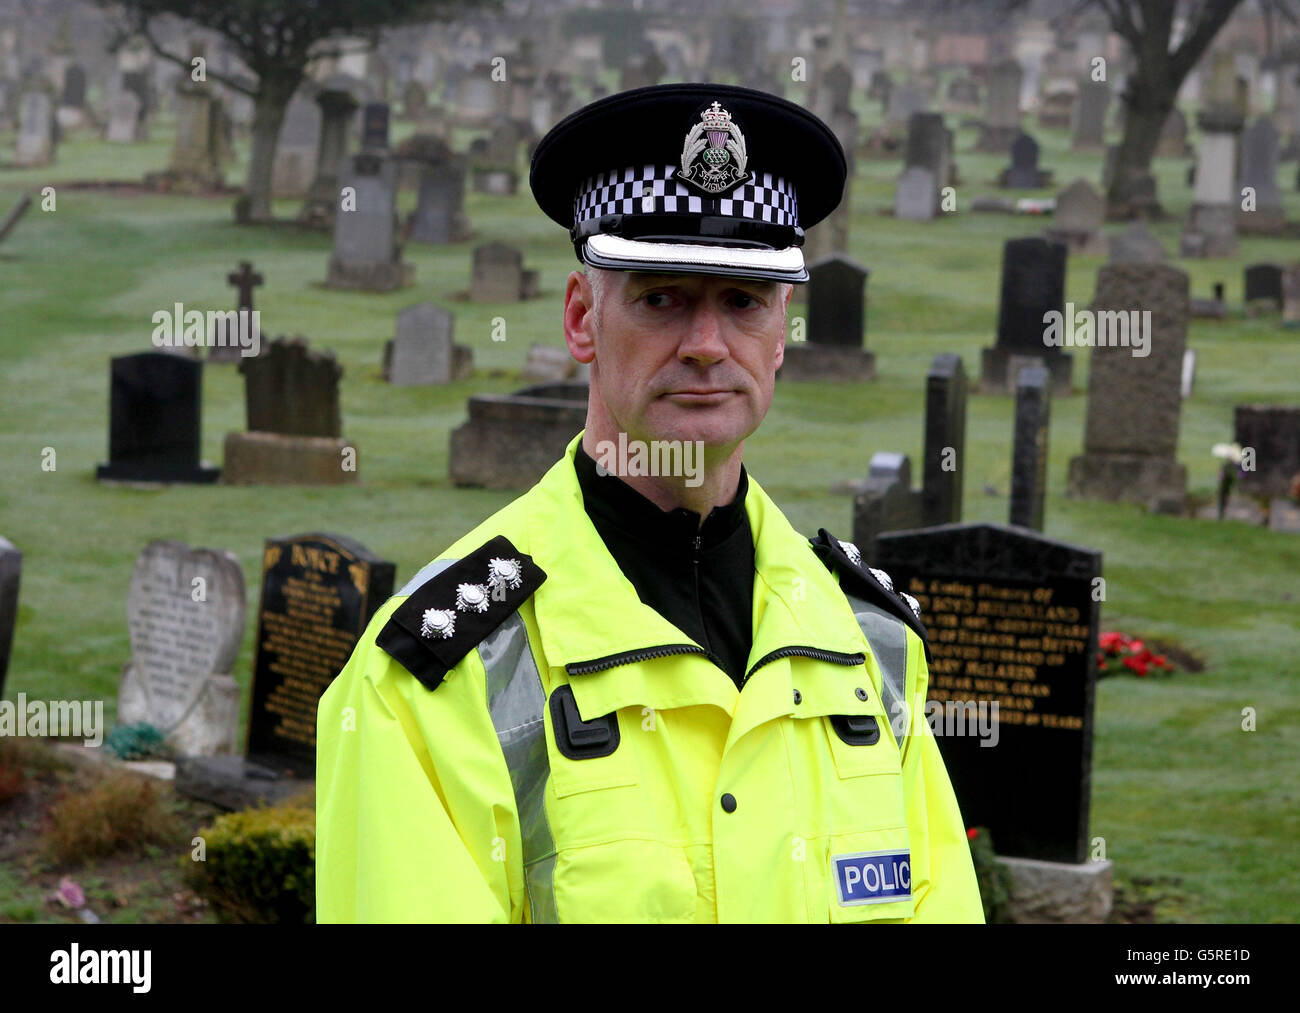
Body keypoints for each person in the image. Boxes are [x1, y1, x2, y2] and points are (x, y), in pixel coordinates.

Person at [316, 83, 983, 923]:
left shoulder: (873, 644)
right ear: (581, 319)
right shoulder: (434, 677)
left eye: (742, 301)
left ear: (782, 333)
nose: (707, 345)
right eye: (661, 296)